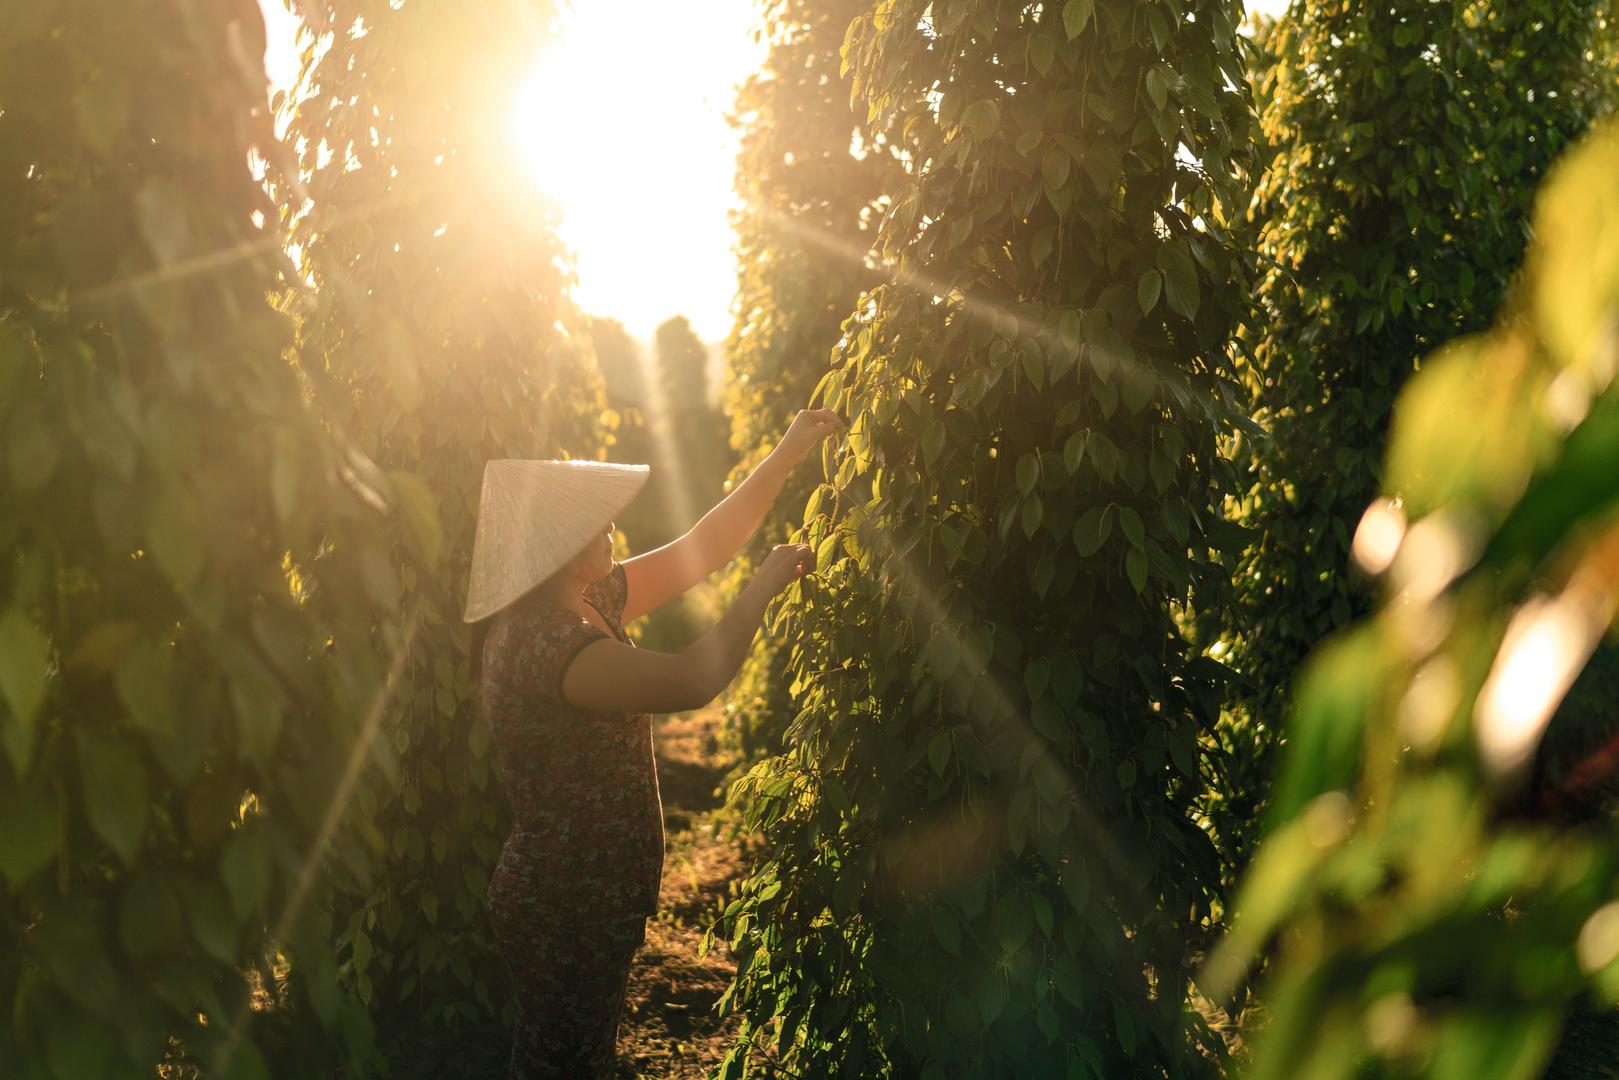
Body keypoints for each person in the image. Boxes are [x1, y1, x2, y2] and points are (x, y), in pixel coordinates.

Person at [462, 407, 844, 1079]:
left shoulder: (586, 601)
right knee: (564, 1065)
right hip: (565, 903)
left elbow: (703, 546)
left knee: (572, 1058)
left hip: (591, 895)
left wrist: (787, 452)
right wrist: (763, 585)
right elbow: (692, 680)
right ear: (560, 547)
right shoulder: (540, 643)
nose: (611, 527)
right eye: (595, 522)